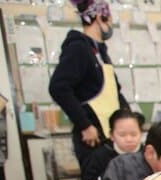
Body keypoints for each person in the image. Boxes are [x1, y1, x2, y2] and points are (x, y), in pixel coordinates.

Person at [48, 0, 128, 171]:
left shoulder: (100, 52)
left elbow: (115, 93)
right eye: (109, 19)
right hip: (94, 139)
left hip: (110, 137)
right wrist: (84, 124)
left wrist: (129, 120)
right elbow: (58, 87)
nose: (111, 24)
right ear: (99, 17)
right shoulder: (78, 48)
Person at [80, 108, 144, 180]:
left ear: (141, 133)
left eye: (134, 134)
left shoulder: (149, 154)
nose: (129, 139)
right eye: (122, 135)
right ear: (111, 135)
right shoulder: (99, 156)